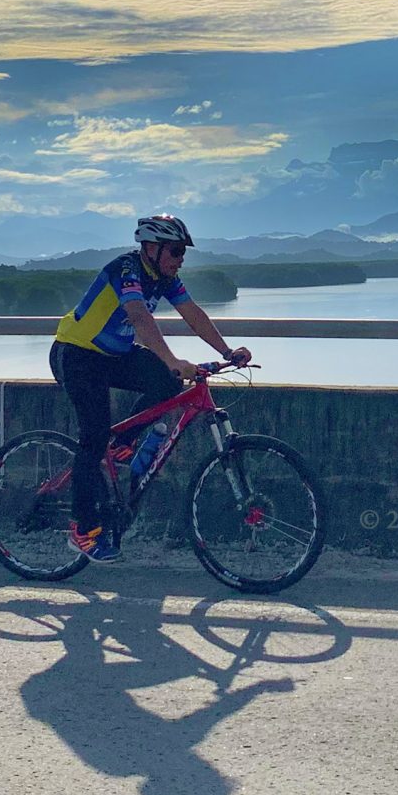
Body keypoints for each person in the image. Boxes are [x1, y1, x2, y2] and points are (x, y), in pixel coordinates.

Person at [49, 214, 251, 563]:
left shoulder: (165, 277)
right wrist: (174, 359)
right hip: (77, 355)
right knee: (94, 437)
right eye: (175, 251)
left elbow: (193, 314)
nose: (180, 259)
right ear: (152, 249)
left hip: (114, 355)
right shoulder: (126, 269)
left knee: (166, 382)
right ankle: (82, 531)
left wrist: (226, 351)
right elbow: (141, 318)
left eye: (183, 253)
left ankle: (123, 445)